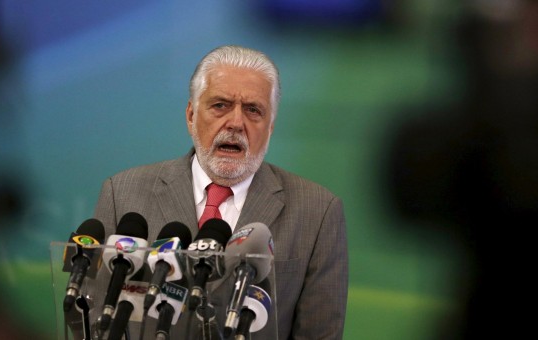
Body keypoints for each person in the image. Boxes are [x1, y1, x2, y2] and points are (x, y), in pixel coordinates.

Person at [93, 45, 348, 339]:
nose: (236, 123)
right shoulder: (122, 194)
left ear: (271, 127)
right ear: (190, 116)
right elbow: (96, 316)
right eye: (220, 105)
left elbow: (320, 334)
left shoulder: (318, 212)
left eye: (253, 110)